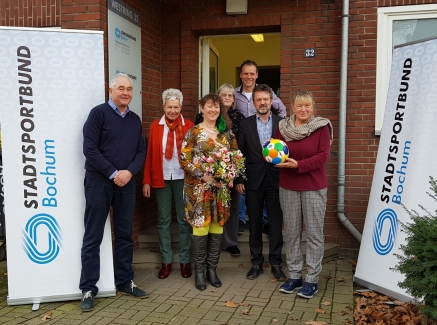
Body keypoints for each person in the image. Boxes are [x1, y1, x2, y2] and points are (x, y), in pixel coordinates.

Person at [79, 73, 148, 312]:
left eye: (129, 89)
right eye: (121, 88)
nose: (126, 92)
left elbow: (141, 151)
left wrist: (128, 173)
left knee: (125, 235)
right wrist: (113, 173)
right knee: (93, 236)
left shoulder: (135, 119)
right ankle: (88, 288)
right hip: (99, 182)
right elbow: (89, 148)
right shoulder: (98, 114)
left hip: (126, 184)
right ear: (111, 90)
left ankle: (125, 281)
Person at [275, 90, 332, 299]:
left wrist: (298, 164)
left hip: (313, 187)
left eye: (307, 105)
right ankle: (295, 275)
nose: (303, 109)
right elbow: (277, 150)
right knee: (291, 233)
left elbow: (322, 156)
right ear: (293, 107)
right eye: (299, 105)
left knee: (314, 234)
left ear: (313, 107)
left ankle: (312, 279)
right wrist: (273, 160)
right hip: (288, 186)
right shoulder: (283, 127)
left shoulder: (321, 127)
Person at [180, 94, 241, 290]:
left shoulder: (227, 134)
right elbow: (184, 159)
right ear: (202, 108)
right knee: (200, 227)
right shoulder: (193, 133)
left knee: (217, 226)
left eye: (216, 107)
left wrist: (230, 176)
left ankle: (212, 270)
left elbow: (236, 158)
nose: (213, 110)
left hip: (220, 191)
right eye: (209, 106)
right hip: (198, 190)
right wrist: (203, 175)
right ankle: (199, 272)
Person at [236, 84, 286, 281]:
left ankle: (276, 263)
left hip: (276, 180)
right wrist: (239, 178)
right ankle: (256, 263)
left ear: (271, 102)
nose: (263, 103)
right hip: (253, 181)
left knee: (275, 224)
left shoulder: (282, 123)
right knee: (255, 224)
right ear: (254, 102)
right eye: (259, 99)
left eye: (266, 99)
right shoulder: (246, 124)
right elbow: (240, 154)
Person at [142, 89, 194, 279]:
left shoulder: (189, 126)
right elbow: (149, 156)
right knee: (163, 221)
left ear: (181, 107)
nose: (172, 110)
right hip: (161, 178)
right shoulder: (156, 126)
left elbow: (195, 156)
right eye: (169, 107)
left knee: (183, 221)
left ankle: (185, 261)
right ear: (163, 106)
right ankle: (166, 261)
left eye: (176, 107)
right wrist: (146, 180)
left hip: (183, 178)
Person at [234, 60, 287, 234]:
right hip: (246, 138)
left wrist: (279, 125)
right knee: (248, 186)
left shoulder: (266, 93)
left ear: (256, 75)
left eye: (252, 73)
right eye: (245, 73)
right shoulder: (234, 94)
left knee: (270, 199)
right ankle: (242, 219)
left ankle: (266, 221)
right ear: (241, 75)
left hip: (268, 145)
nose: (249, 76)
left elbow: (282, 109)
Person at [195, 84, 245, 257]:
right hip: (206, 176)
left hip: (228, 172)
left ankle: (229, 242)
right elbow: (195, 149)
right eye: (223, 95)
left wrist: (234, 174)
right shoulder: (199, 123)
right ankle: (209, 248)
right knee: (209, 210)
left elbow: (238, 149)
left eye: (230, 95)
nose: (226, 98)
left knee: (230, 207)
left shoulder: (238, 118)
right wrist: (205, 173)